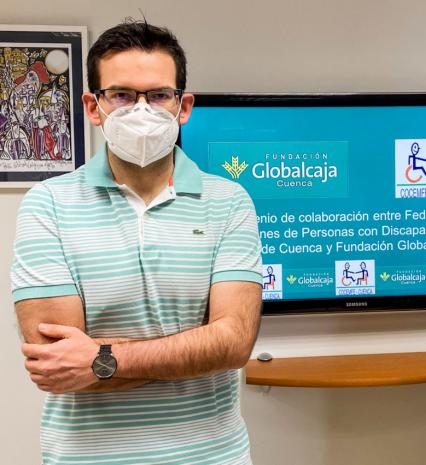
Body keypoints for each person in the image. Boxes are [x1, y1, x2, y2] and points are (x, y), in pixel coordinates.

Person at [11, 20, 262, 465]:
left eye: (159, 95)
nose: (142, 110)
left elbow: (234, 343)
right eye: (122, 95)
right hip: (87, 457)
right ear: (93, 105)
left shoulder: (229, 201)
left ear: (183, 106)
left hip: (212, 455)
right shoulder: (46, 203)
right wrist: (188, 351)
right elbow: (57, 364)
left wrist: (100, 357)